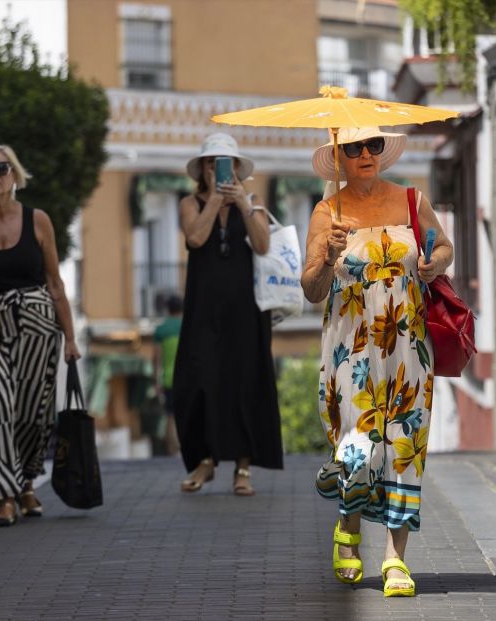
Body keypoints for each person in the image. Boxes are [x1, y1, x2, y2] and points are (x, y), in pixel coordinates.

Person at [301, 127, 454, 597]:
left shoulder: (412, 200)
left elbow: (442, 245)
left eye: (373, 146)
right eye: (354, 148)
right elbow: (311, 290)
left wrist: (435, 264)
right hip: (353, 348)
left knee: (404, 443)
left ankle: (394, 559)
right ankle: (348, 529)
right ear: (339, 156)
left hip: (409, 344)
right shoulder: (327, 212)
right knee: (361, 442)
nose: (366, 154)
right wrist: (327, 256)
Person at [0, 144, 80, 527]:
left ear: (14, 176)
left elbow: (55, 283)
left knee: (33, 414)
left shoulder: (38, 220)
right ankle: (5, 495)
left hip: (39, 326)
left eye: (2, 168)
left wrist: (70, 338)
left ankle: (25, 483)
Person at [173, 132, 283, 496]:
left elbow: (264, 244)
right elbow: (195, 239)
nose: (216, 169)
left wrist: (243, 205)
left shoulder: (251, 200)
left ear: (236, 168)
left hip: (245, 309)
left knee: (244, 380)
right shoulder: (190, 203)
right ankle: (204, 459)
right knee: (199, 378)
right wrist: (215, 201)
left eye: (224, 162)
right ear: (202, 169)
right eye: (210, 162)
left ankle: (243, 466)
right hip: (203, 308)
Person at [153, 294, 182, 455]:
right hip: (188, 379)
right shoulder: (188, 327)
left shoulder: (161, 330)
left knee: (170, 416)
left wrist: (156, 381)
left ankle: (173, 451)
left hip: (168, 379)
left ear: (168, 309)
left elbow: (156, 358)